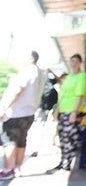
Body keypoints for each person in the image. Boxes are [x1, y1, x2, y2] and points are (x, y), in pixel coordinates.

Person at [0, 51, 45, 179]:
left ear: (31, 58)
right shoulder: (40, 73)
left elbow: (18, 89)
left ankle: (8, 169)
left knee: (9, 141)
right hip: (30, 112)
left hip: (15, 112)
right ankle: (17, 168)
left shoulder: (27, 70)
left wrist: (4, 107)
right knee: (21, 140)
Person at [47, 55, 86, 173]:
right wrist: (56, 111)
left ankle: (67, 163)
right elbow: (62, 95)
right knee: (63, 137)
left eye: (75, 61)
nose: (73, 63)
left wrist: (74, 112)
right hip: (63, 110)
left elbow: (79, 95)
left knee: (70, 137)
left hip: (72, 111)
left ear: (80, 63)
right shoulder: (69, 77)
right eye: (71, 61)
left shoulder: (81, 76)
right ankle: (63, 161)